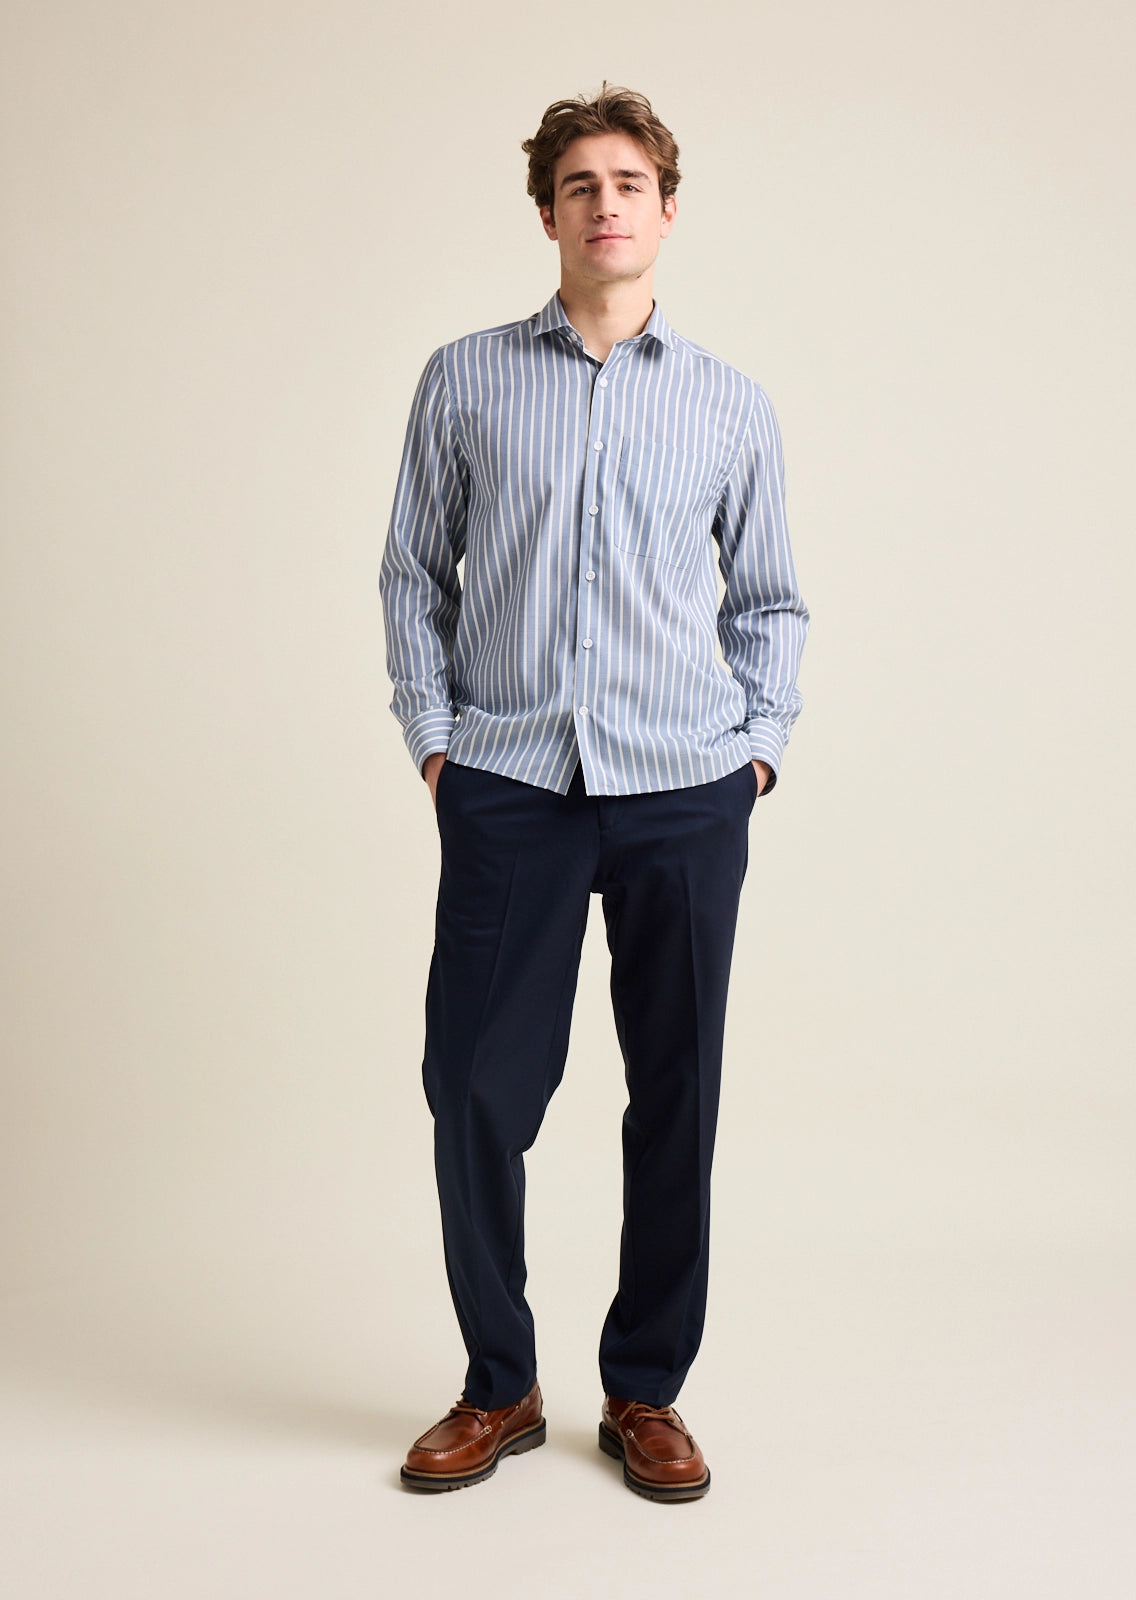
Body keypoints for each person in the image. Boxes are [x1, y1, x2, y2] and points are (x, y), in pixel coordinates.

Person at [379, 84, 809, 1502]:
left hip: (685, 786)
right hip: (510, 782)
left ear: (666, 214)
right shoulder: (465, 379)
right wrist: (436, 742)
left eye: (630, 183)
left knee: (677, 1090)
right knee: (473, 1088)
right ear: (549, 214)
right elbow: (412, 572)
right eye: (581, 184)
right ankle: (498, 1383)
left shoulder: (731, 403)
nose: (606, 204)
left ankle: (647, 1391)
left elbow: (770, 600)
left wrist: (756, 753)